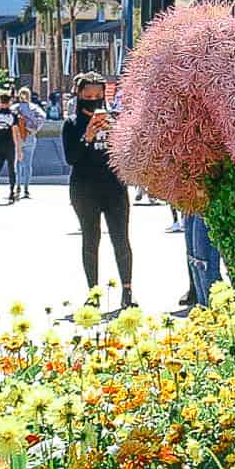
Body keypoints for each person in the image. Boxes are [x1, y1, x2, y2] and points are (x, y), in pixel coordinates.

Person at [63, 71, 134, 308]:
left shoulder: (114, 120)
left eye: (98, 95)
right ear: (80, 95)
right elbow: (71, 158)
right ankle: (93, 293)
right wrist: (88, 136)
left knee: (121, 238)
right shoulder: (72, 124)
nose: (93, 100)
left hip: (114, 188)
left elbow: (127, 154)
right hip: (84, 189)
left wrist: (116, 131)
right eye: (88, 95)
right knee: (90, 239)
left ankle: (127, 291)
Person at [13, 87, 44, 200]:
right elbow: (42, 117)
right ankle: (26, 188)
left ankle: (17, 185)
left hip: (17, 137)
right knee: (28, 164)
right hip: (30, 136)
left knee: (17, 163)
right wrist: (34, 129)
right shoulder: (34, 108)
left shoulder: (15, 108)